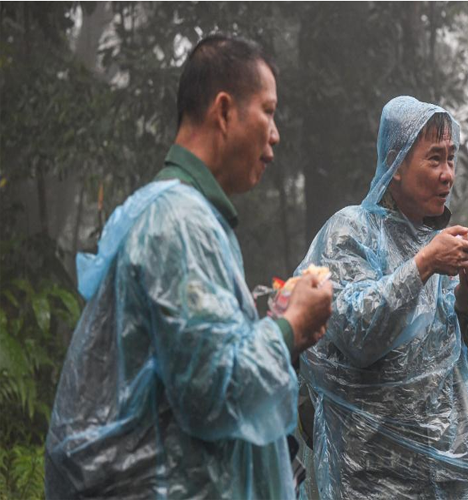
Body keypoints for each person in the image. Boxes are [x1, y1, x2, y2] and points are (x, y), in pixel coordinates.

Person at [45, 34, 333, 499]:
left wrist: (285, 329)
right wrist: (290, 326)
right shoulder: (179, 222)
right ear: (224, 111)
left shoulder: (181, 213)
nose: (275, 134)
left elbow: (192, 362)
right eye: (268, 111)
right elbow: (212, 390)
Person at [297, 96, 468, 499]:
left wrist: (465, 300)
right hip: (370, 478)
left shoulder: (437, 245)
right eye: (435, 159)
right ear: (397, 163)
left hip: (447, 477)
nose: (448, 175)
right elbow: (357, 332)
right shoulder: (350, 232)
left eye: (451, 158)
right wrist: (423, 264)